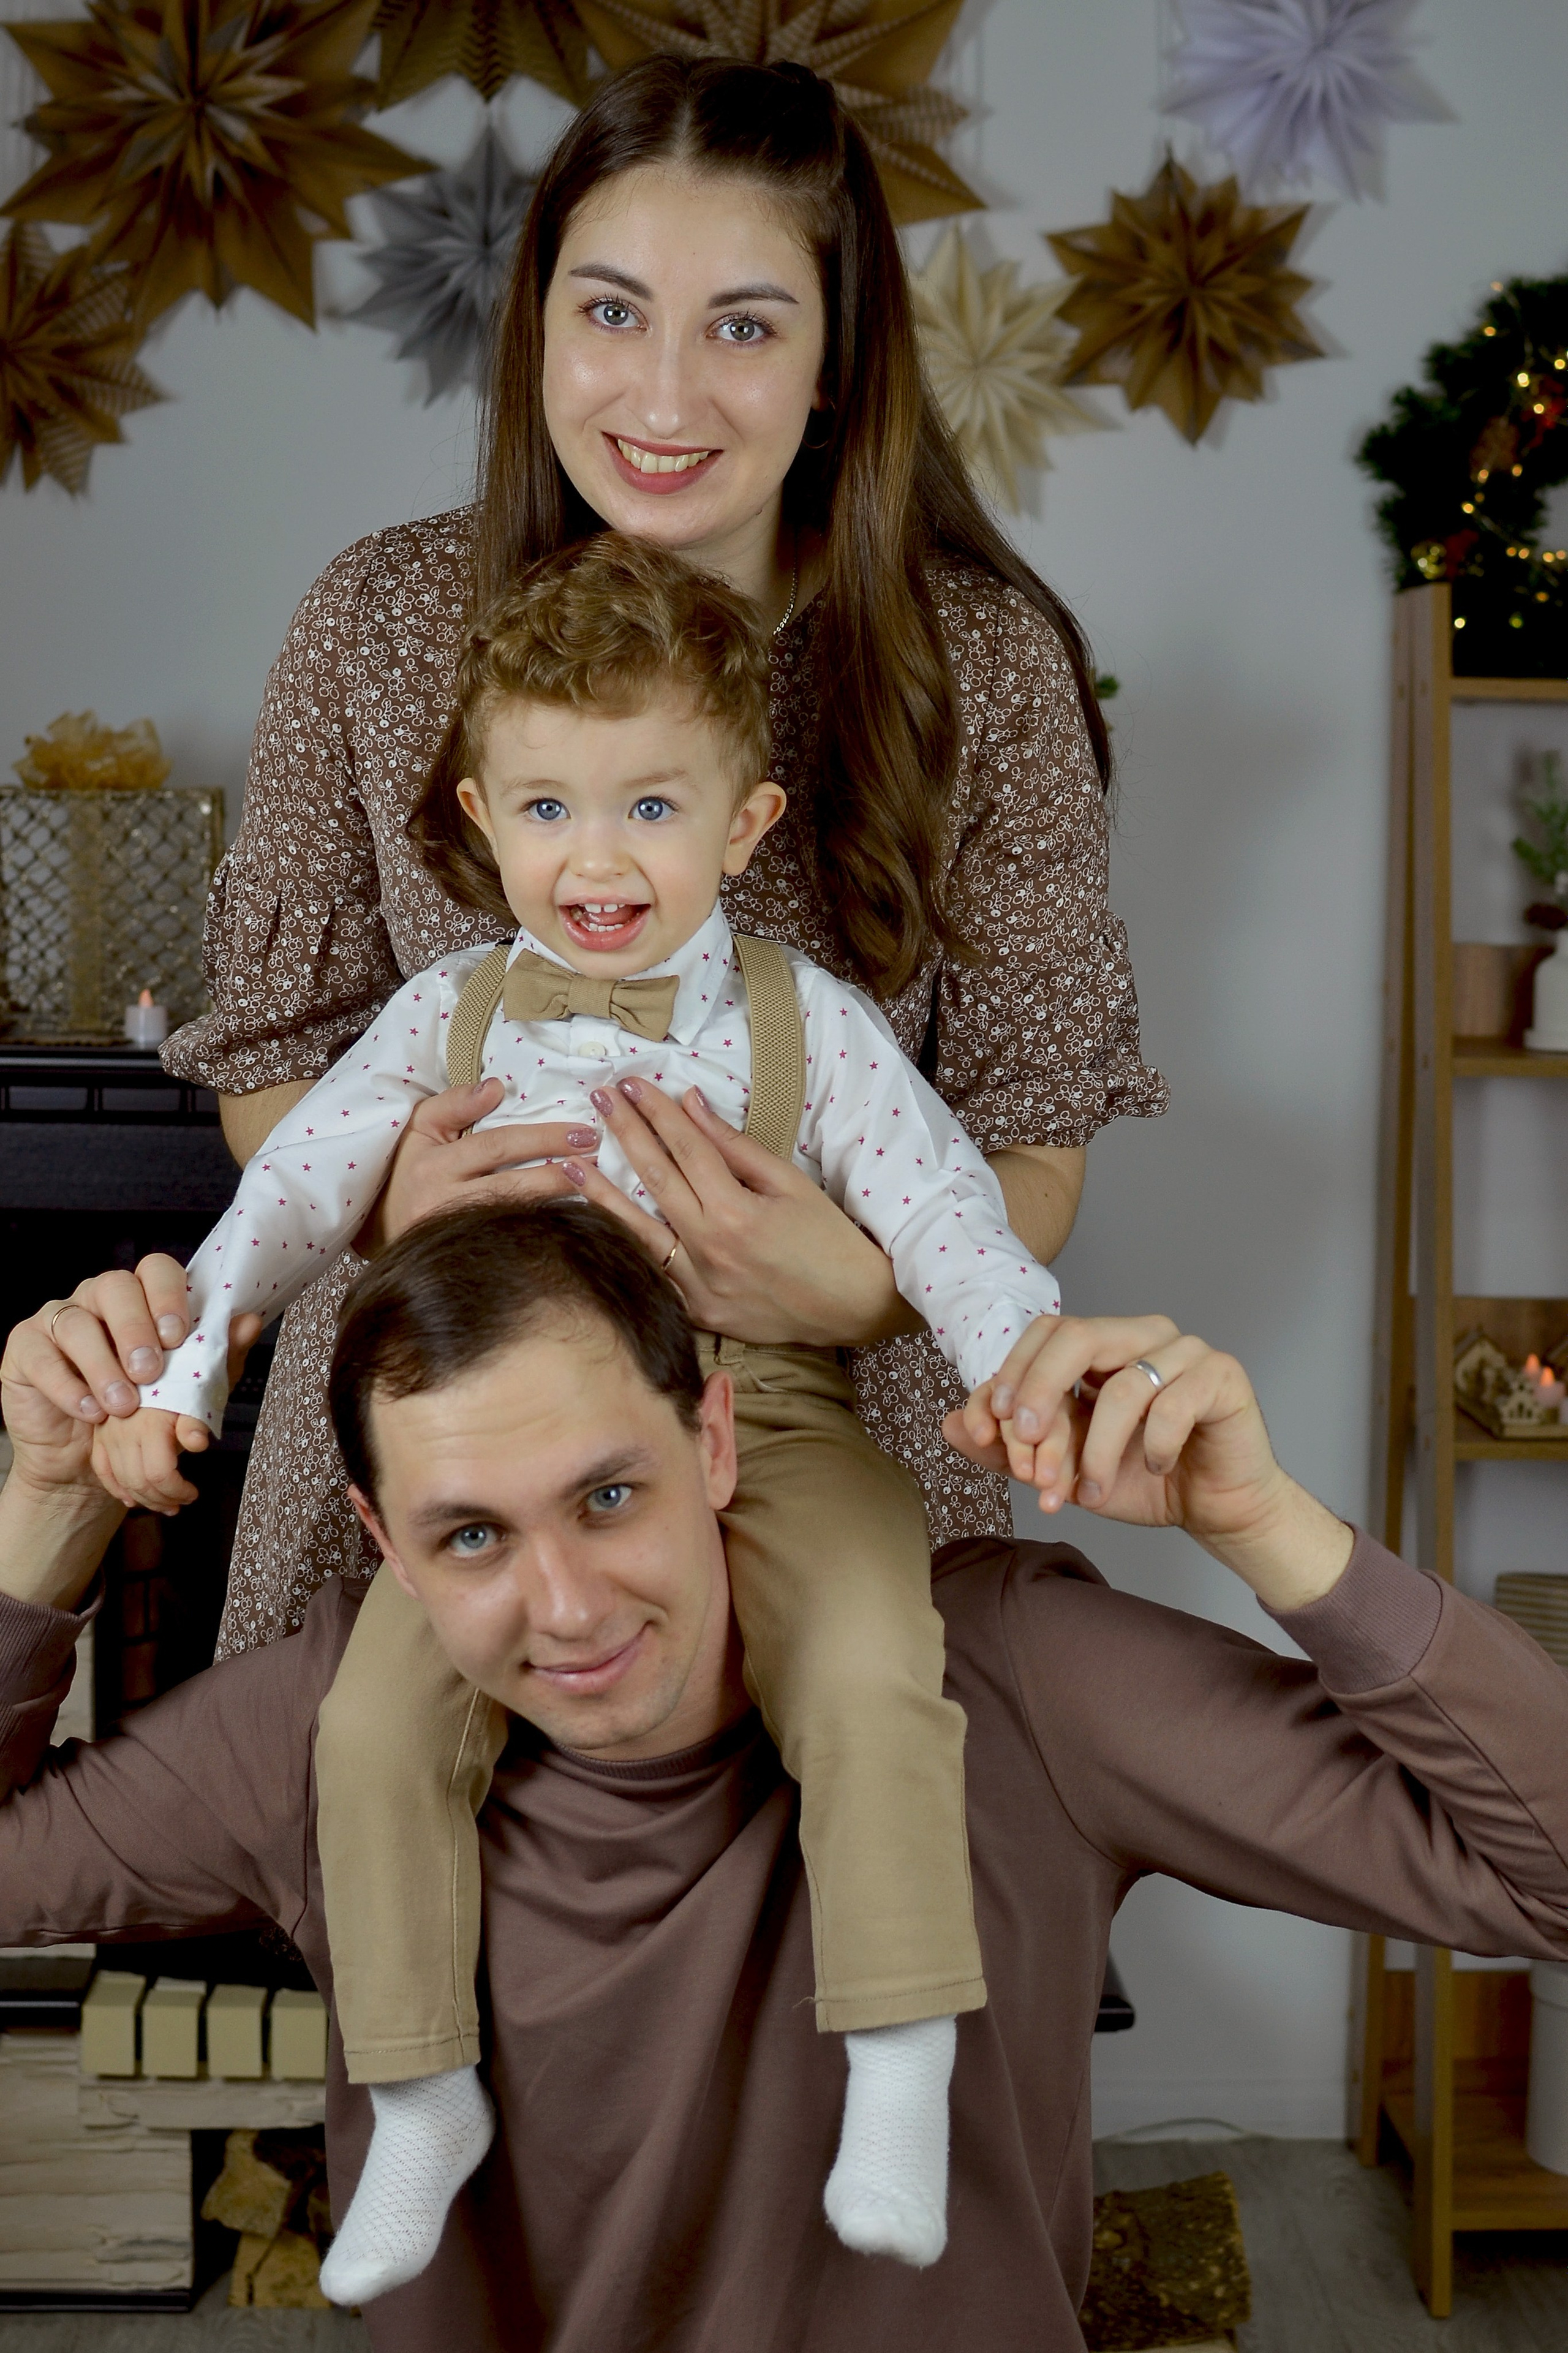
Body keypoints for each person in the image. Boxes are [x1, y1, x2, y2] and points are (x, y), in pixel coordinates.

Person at [10, 1211, 1568, 2350]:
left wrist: (1265, 1526)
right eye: (470, 1533)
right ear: (379, 1539)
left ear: (717, 1442)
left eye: (608, 1495)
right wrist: (48, 1500)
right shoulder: (326, 1730)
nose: (563, 1606)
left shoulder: (1009, 1673)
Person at [94, 535, 1063, 2296]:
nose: (595, 859)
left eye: (649, 810)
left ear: (746, 825)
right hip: (519, 1439)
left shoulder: (811, 1023)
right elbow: (294, 1193)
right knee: (375, 1727)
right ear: (481, 814)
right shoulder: (441, 1015)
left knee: (867, 1659)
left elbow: (947, 1215)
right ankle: (418, 2090)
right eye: (547, 810)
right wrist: (194, 1358)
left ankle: (902, 2066)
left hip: (754, 1404)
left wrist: (1018, 1367)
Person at [108, 53, 1166, 1655]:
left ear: (833, 362)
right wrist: (393, 1200)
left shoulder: (982, 660)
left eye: (742, 324)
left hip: (836, 1439)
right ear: (538, 324)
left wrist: (862, 1287)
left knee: (851, 1848)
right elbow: (276, 1074)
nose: (661, 398)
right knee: (399, 1835)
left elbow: (1035, 1148)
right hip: (436, 1414)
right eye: (609, 313)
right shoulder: (375, 626)